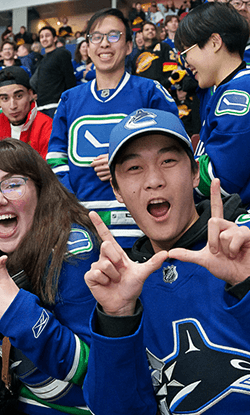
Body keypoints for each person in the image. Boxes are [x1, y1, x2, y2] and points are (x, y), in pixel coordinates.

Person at [0, 138, 142, 415]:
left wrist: (20, 314)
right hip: (22, 412)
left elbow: (98, 371)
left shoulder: (75, 249)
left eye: (13, 185)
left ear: (41, 190)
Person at [82, 107, 250, 415]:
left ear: (193, 173)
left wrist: (246, 285)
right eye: (133, 168)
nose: (154, 179)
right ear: (115, 189)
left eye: (169, 161)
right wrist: (116, 319)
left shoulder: (244, 240)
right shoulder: (124, 283)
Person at [46, 8, 178, 250]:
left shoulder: (150, 92)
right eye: (96, 37)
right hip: (84, 231)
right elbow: (56, 160)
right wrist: (72, 209)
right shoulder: (69, 100)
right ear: (87, 46)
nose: (104, 43)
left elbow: (173, 153)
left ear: (129, 46)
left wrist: (123, 163)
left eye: (114, 36)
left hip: (144, 229)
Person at [175, 2, 250, 205]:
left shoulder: (239, 91)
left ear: (215, 42)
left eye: (186, 52)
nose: (186, 63)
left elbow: (222, 180)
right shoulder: (224, 88)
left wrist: (174, 172)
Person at [0, 66, 52, 159]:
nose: (13, 106)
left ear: (30, 94)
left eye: (19, 96)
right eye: (5, 98)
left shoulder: (46, 126)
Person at [30, 26, 76, 118]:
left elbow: (69, 78)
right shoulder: (42, 60)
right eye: (42, 37)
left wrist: (70, 103)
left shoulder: (61, 53)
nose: (44, 39)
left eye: (47, 36)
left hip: (56, 105)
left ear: (55, 38)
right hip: (41, 106)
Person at [133, 21, 178, 89]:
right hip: (142, 92)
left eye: (153, 29)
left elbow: (172, 71)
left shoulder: (164, 47)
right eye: (147, 29)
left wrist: (163, 84)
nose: (150, 31)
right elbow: (134, 76)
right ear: (141, 33)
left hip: (161, 91)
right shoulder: (137, 55)